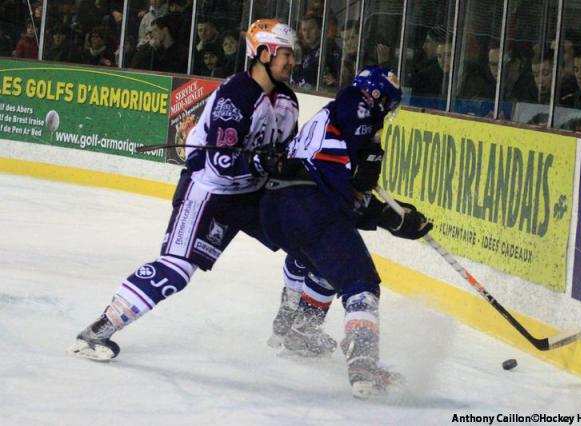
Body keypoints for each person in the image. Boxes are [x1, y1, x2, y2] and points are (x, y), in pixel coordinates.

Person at [69, 18, 300, 361]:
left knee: (308, 238)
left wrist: (279, 164)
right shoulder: (235, 96)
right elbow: (220, 163)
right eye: (285, 54)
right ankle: (97, 332)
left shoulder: (287, 102)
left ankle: (295, 329)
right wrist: (261, 163)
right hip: (208, 194)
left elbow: (281, 150)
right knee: (176, 270)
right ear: (263, 53)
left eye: (293, 55)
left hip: (250, 195)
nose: (291, 61)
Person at [259, 66, 432, 397]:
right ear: (379, 97)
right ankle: (363, 363)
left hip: (281, 208)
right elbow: (348, 182)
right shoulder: (357, 103)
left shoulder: (329, 122)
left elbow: (349, 195)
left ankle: (301, 326)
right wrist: (370, 156)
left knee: (326, 263)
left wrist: (394, 217)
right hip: (309, 205)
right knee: (360, 282)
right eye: (390, 103)